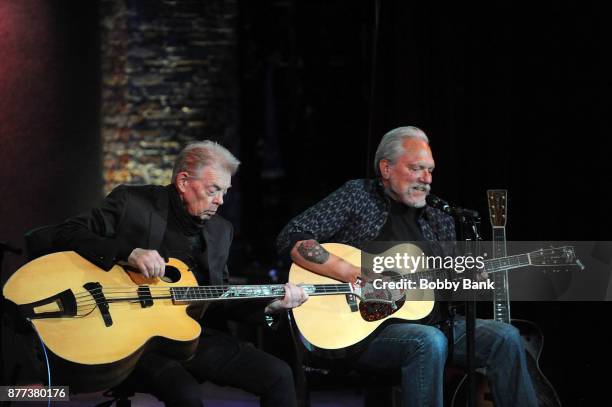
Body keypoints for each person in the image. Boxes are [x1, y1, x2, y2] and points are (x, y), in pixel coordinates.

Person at [276, 126, 537, 407]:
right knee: (428, 341)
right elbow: (293, 236)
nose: (426, 179)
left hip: (435, 323)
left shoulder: (439, 216)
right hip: (364, 330)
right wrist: (356, 274)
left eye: (430, 171)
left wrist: (470, 279)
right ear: (386, 168)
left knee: (505, 338)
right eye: (416, 168)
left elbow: (446, 288)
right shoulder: (357, 196)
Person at [53, 140, 308, 407]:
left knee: (279, 375)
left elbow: (221, 301)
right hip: (134, 337)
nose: (221, 200)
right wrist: (128, 252)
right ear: (184, 181)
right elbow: (64, 234)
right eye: (214, 190)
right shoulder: (133, 202)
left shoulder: (221, 230)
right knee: (184, 392)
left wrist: (271, 307)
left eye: (225, 191)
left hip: (193, 336)